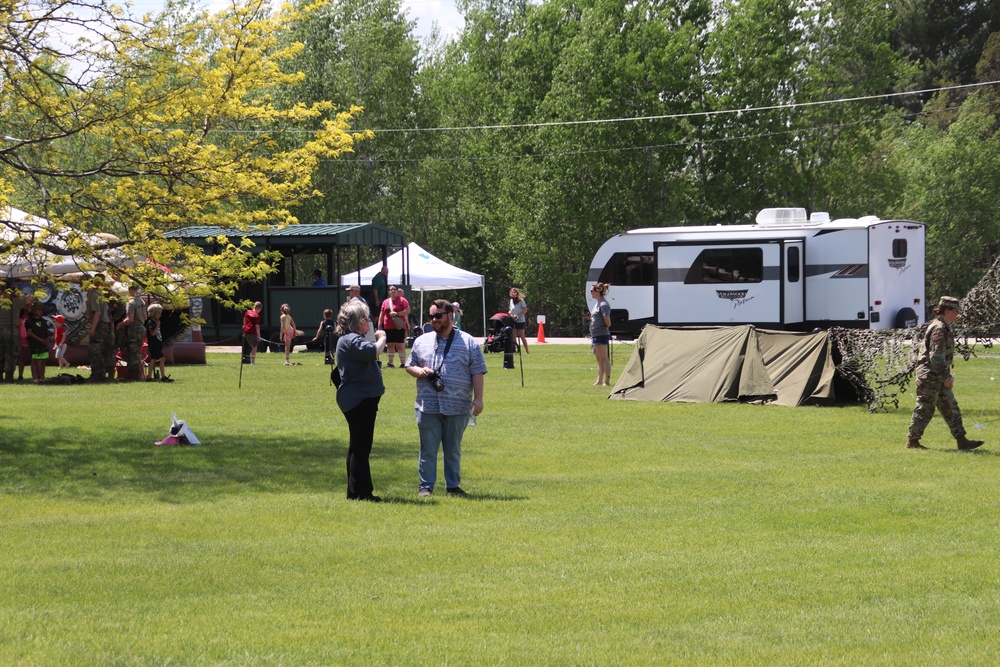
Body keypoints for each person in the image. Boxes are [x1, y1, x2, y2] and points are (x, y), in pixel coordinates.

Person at [405, 299, 487, 498]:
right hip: (427, 405)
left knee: (453, 449)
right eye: (431, 316)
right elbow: (409, 365)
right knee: (428, 449)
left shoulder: (468, 342)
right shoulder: (421, 341)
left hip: (458, 405)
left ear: (451, 316)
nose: (434, 320)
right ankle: (426, 487)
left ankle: (453, 486)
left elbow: (477, 371)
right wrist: (420, 371)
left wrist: (479, 399)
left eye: (438, 316)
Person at [906, 296, 984, 451]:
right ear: (947, 310)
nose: (957, 315)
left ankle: (962, 441)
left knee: (950, 407)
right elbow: (936, 356)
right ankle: (912, 442)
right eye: (956, 311)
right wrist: (946, 378)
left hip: (936, 375)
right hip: (930, 376)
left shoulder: (942, 326)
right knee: (925, 408)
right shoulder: (939, 329)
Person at [334, 300, 388, 502]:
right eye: (365, 318)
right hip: (359, 399)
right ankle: (362, 492)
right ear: (357, 321)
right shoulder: (351, 340)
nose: (368, 321)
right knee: (361, 447)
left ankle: (355, 491)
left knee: (358, 445)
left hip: (358, 398)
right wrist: (382, 337)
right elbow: (373, 351)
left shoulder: (349, 339)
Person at [115, 283, 147, 381]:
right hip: (141, 328)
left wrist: (120, 324)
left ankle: (133, 376)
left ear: (130, 290)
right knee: (137, 352)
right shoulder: (142, 301)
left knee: (132, 353)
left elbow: (130, 319)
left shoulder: (131, 302)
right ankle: (137, 375)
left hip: (134, 329)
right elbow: (145, 317)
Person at [86, 274, 114, 382]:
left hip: (99, 324)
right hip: (106, 324)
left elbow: (97, 313)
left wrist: (93, 328)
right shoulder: (101, 294)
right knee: (105, 349)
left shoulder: (93, 294)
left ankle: (97, 374)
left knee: (95, 350)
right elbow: (106, 308)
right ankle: (107, 373)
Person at [0, 282, 27, 382]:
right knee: (11, 354)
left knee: (1, 353)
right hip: (11, 330)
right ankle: (9, 377)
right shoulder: (16, 301)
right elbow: (28, 301)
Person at [379, 285, 410, 368]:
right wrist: (380, 325)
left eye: (394, 289)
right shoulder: (385, 302)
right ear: (389, 292)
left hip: (399, 326)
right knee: (390, 345)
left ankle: (403, 363)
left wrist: (397, 313)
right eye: (391, 290)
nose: (392, 291)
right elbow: (382, 314)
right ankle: (390, 363)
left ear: (397, 291)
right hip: (388, 326)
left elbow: (407, 311)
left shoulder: (402, 300)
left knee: (400, 345)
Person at [589, 282, 612, 386]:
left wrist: (603, 326)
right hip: (595, 334)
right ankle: (599, 380)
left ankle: (607, 381)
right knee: (599, 359)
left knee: (604, 358)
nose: (591, 293)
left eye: (592, 291)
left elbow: (607, 321)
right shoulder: (597, 304)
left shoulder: (603, 304)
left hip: (601, 334)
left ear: (597, 291)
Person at [25, 302, 51, 382]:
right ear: (33, 310)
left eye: (41, 310)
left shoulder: (43, 321)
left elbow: (46, 331)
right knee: (35, 361)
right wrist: (40, 340)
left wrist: (47, 339)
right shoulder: (29, 322)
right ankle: (35, 378)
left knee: (43, 361)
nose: (40, 311)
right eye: (38, 310)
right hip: (34, 344)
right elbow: (29, 333)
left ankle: (42, 377)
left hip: (43, 344)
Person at [145, 304, 171, 382]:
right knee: (162, 359)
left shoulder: (156, 321)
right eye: (158, 313)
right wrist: (157, 325)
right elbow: (152, 333)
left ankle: (149, 377)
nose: (160, 315)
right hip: (154, 344)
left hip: (157, 344)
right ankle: (163, 376)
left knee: (153, 359)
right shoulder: (151, 322)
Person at [508, 287, 529, 354]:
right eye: (512, 292)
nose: (513, 294)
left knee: (522, 336)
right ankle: (514, 350)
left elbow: (525, 310)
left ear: (517, 293)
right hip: (513, 321)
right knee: (513, 336)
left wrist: (518, 316)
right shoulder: (511, 301)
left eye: (515, 292)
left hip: (521, 321)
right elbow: (511, 310)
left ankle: (527, 351)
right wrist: (509, 313)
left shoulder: (521, 301)